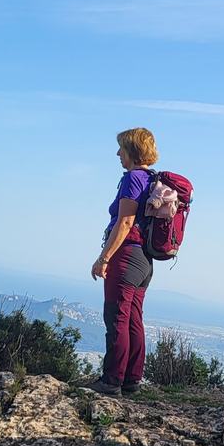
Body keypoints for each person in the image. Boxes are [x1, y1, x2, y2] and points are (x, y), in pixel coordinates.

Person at [89, 128, 159, 396]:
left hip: (127, 256)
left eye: (122, 149)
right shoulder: (152, 180)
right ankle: (131, 379)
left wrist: (104, 258)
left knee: (116, 317)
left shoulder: (133, 179)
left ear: (132, 150)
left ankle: (111, 381)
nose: (118, 153)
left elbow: (126, 221)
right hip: (145, 261)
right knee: (133, 319)